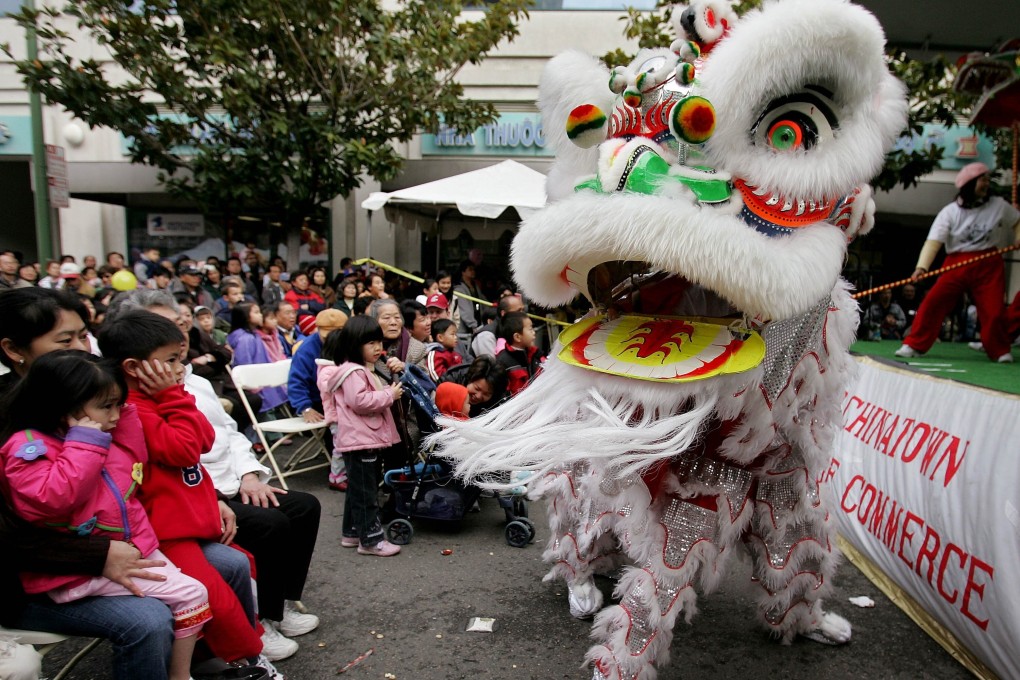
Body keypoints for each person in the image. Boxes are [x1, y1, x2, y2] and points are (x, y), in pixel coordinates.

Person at [0, 351, 211, 680]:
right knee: (187, 598)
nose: (114, 415)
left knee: (195, 593)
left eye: (118, 404)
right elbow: (51, 500)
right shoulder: (28, 447)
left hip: (121, 550)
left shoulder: (101, 433)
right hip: (73, 574)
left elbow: (133, 461)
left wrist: (124, 416)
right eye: (107, 406)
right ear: (64, 406)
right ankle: (180, 675)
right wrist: (84, 442)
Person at [140, 296, 323, 664]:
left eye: (182, 321)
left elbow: (232, 433)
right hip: (201, 493)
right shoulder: (146, 395)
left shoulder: (198, 380)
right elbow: (181, 455)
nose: (180, 332)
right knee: (269, 523)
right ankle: (258, 619)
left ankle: (277, 607)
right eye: (166, 325)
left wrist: (250, 473)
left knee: (304, 506)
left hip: (233, 479)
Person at [98, 310, 277, 677]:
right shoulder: (133, 409)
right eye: (170, 360)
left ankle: (220, 652)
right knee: (213, 591)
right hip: (165, 531)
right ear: (133, 367)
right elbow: (182, 450)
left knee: (241, 565)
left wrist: (173, 397)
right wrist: (173, 396)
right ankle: (248, 657)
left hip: (187, 520)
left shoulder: (163, 398)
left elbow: (205, 440)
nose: (181, 367)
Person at [895, 162, 1020, 363]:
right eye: (982, 180)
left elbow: (1017, 221)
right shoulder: (950, 212)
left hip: (989, 263)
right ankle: (914, 344)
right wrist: (921, 267)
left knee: (994, 310)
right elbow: (934, 242)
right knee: (934, 302)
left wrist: (1018, 237)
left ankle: (999, 349)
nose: (987, 184)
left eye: (987, 180)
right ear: (969, 184)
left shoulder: (999, 205)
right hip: (957, 262)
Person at [317, 316, 403, 556]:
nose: (378, 348)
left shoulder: (352, 369)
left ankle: (353, 532)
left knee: (357, 489)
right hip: (361, 440)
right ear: (355, 344)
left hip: (358, 440)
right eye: (371, 343)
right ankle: (372, 540)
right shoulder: (354, 372)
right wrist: (389, 394)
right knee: (366, 494)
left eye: (379, 342)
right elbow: (360, 401)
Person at [287, 308, 348, 425]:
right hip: (319, 400)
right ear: (318, 329)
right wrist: (305, 407)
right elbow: (296, 381)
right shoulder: (306, 349)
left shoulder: (350, 343)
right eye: (326, 338)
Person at [228, 303, 288, 414]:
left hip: (263, 383)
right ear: (246, 317)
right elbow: (244, 365)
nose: (260, 315)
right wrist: (254, 386)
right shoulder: (245, 339)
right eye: (256, 312)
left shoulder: (253, 335)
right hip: (256, 388)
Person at [437, 355, 508, 418]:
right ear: (469, 379)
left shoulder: (499, 399)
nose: (478, 396)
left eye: (486, 394)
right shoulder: (451, 381)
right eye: (477, 388)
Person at [495, 312, 546, 396]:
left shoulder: (536, 354)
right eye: (530, 329)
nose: (534, 332)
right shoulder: (503, 362)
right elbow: (504, 393)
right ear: (517, 337)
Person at [472, 294, 525, 358]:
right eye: (518, 311)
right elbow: (490, 365)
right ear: (504, 313)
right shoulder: (486, 335)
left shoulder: (514, 329)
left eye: (523, 310)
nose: (523, 315)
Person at [453, 260, 485, 344]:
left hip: (478, 324)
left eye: (474, 269)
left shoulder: (475, 286)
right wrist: (473, 325)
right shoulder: (459, 289)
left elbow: (483, 301)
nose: (473, 272)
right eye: (470, 269)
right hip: (466, 330)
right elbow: (465, 310)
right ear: (463, 272)